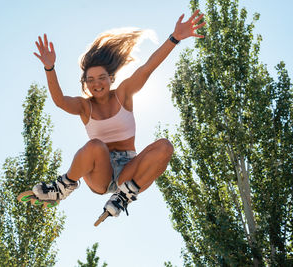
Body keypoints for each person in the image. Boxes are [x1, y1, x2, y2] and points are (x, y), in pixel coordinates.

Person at [31, 10, 206, 224]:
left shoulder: (124, 94)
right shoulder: (85, 107)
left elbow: (147, 69)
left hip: (129, 171)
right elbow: (59, 101)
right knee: (95, 145)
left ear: (111, 79)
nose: (97, 84)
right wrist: (50, 68)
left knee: (165, 146)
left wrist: (175, 37)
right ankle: (62, 187)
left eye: (102, 78)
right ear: (85, 83)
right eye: (91, 80)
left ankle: (124, 196)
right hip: (99, 174)